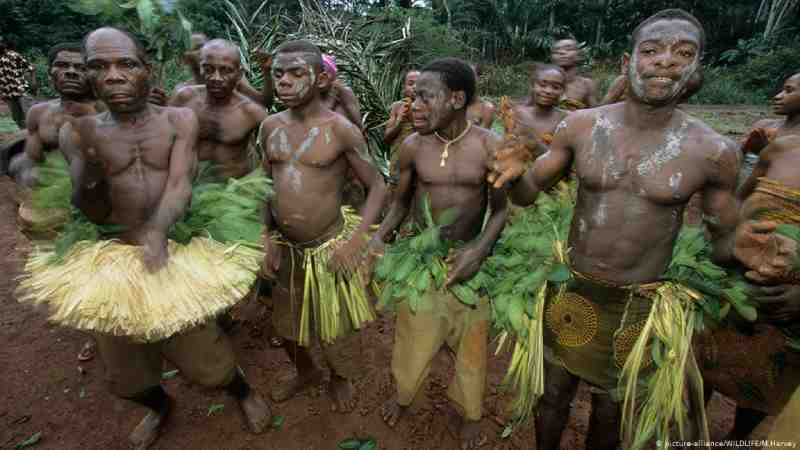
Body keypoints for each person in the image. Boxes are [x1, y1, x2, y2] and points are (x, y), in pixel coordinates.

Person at [489, 10, 740, 450]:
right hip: (573, 288)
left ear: (697, 68)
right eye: (651, 51)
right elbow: (527, 194)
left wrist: (759, 257)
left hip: (640, 304)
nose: (665, 61)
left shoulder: (713, 151)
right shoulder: (582, 126)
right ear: (628, 61)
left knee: (612, 409)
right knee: (552, 395)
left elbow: (724, 244)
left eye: (683, 53)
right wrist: (511, 176)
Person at [54, 27, 271, 449]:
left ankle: (241, 391)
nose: (113, 75)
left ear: (147, 72)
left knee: (209, 365)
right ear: (89, 76)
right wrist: (89, 171)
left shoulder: (178, 119)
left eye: (126, 64)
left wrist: (157, 229)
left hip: (172, 250)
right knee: (125, 379)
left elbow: (180, 183)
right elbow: (92, 209)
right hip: (114, 260)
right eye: (99, 66)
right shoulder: (75, 133)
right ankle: (159, 407)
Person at [372, 57, 508, 449]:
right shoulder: (412, 147)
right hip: (423, 265)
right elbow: (400, 204)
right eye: (413, 98)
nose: (414, 107)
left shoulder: (488, 145)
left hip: (470, 261)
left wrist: (479, 252)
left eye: (425, 98)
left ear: (456, 99)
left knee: (471, 348)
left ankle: (469, 412)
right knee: (412, 339)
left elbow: (500, 210)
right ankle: (403, 396)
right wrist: (381, 238)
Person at [259, 40, 387, 413]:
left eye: (296, 73)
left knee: (336, 330)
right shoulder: (269, 127)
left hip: (329, 247)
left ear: (319, 79)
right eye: (278, 73)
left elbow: (378, 185)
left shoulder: (340, 130)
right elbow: (262, 187)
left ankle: (338, 376)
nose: (283, 81)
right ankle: (306, 372)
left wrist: (357, 241)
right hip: (287, 250)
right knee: (286, 327)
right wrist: (264, 233)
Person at [697, 73, 800, 441]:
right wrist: (727, 245)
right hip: (739, 269)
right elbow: (737, 200)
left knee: (766, 365)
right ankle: (691, 429)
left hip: (787, 291)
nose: (778, 95)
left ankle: (738, 438)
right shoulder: (779, 149)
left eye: (790, 90)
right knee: (706, 348)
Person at [169, 39, 268, 180]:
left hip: (235, 191)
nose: (216, 78)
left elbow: (272, 158)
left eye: (225, 70)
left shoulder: (252, 113)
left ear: (239, 74)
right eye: (208, 69)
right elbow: (162, 139)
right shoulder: (184, 99)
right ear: (201, 68)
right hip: (189, 184)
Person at [175, 32, 272, 108]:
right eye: (197, 48)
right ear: (184, 58)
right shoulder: (182, 92)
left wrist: (267, 72)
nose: (204, 51)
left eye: (205, 46)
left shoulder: (232, 81)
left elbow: (264, 103)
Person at [504, 63, 567, 157]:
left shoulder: (567, 119)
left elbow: (564, 157)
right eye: (542, 85)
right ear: (532, 86)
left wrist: (535, 144)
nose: (548, 91)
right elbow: (505, 147)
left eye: (555, 87)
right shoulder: (516, 114)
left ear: (562, 91)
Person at [384, 69, 419, 180]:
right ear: (404, 87)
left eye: (420, 83)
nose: (415, 87)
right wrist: (399, 122)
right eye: (410, 83)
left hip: (419, 167)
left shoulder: (430, 108)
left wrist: (411, 117)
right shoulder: (397, 106)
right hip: (397, 167)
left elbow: (430, 136)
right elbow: (386, 138)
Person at [0, 36, 37, 129]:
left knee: (30, 113)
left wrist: (33, 82)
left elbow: (31, 68)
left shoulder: (13, 55)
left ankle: (38, 136)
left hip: (21, 90)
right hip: (8, 93)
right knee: (17, 118)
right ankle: (26, 136)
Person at [550, 38, 596, 110]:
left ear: (579, 55)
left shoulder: (586, 84)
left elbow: (595, 112)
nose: (561, 52)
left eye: (568, 49)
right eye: (556, 51)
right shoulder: (544, 81)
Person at [466, 63, 496, 128]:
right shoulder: (453, 106)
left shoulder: (486, 108)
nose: (467, 81)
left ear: (478, 79)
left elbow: (482, 136)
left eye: (471, 76)